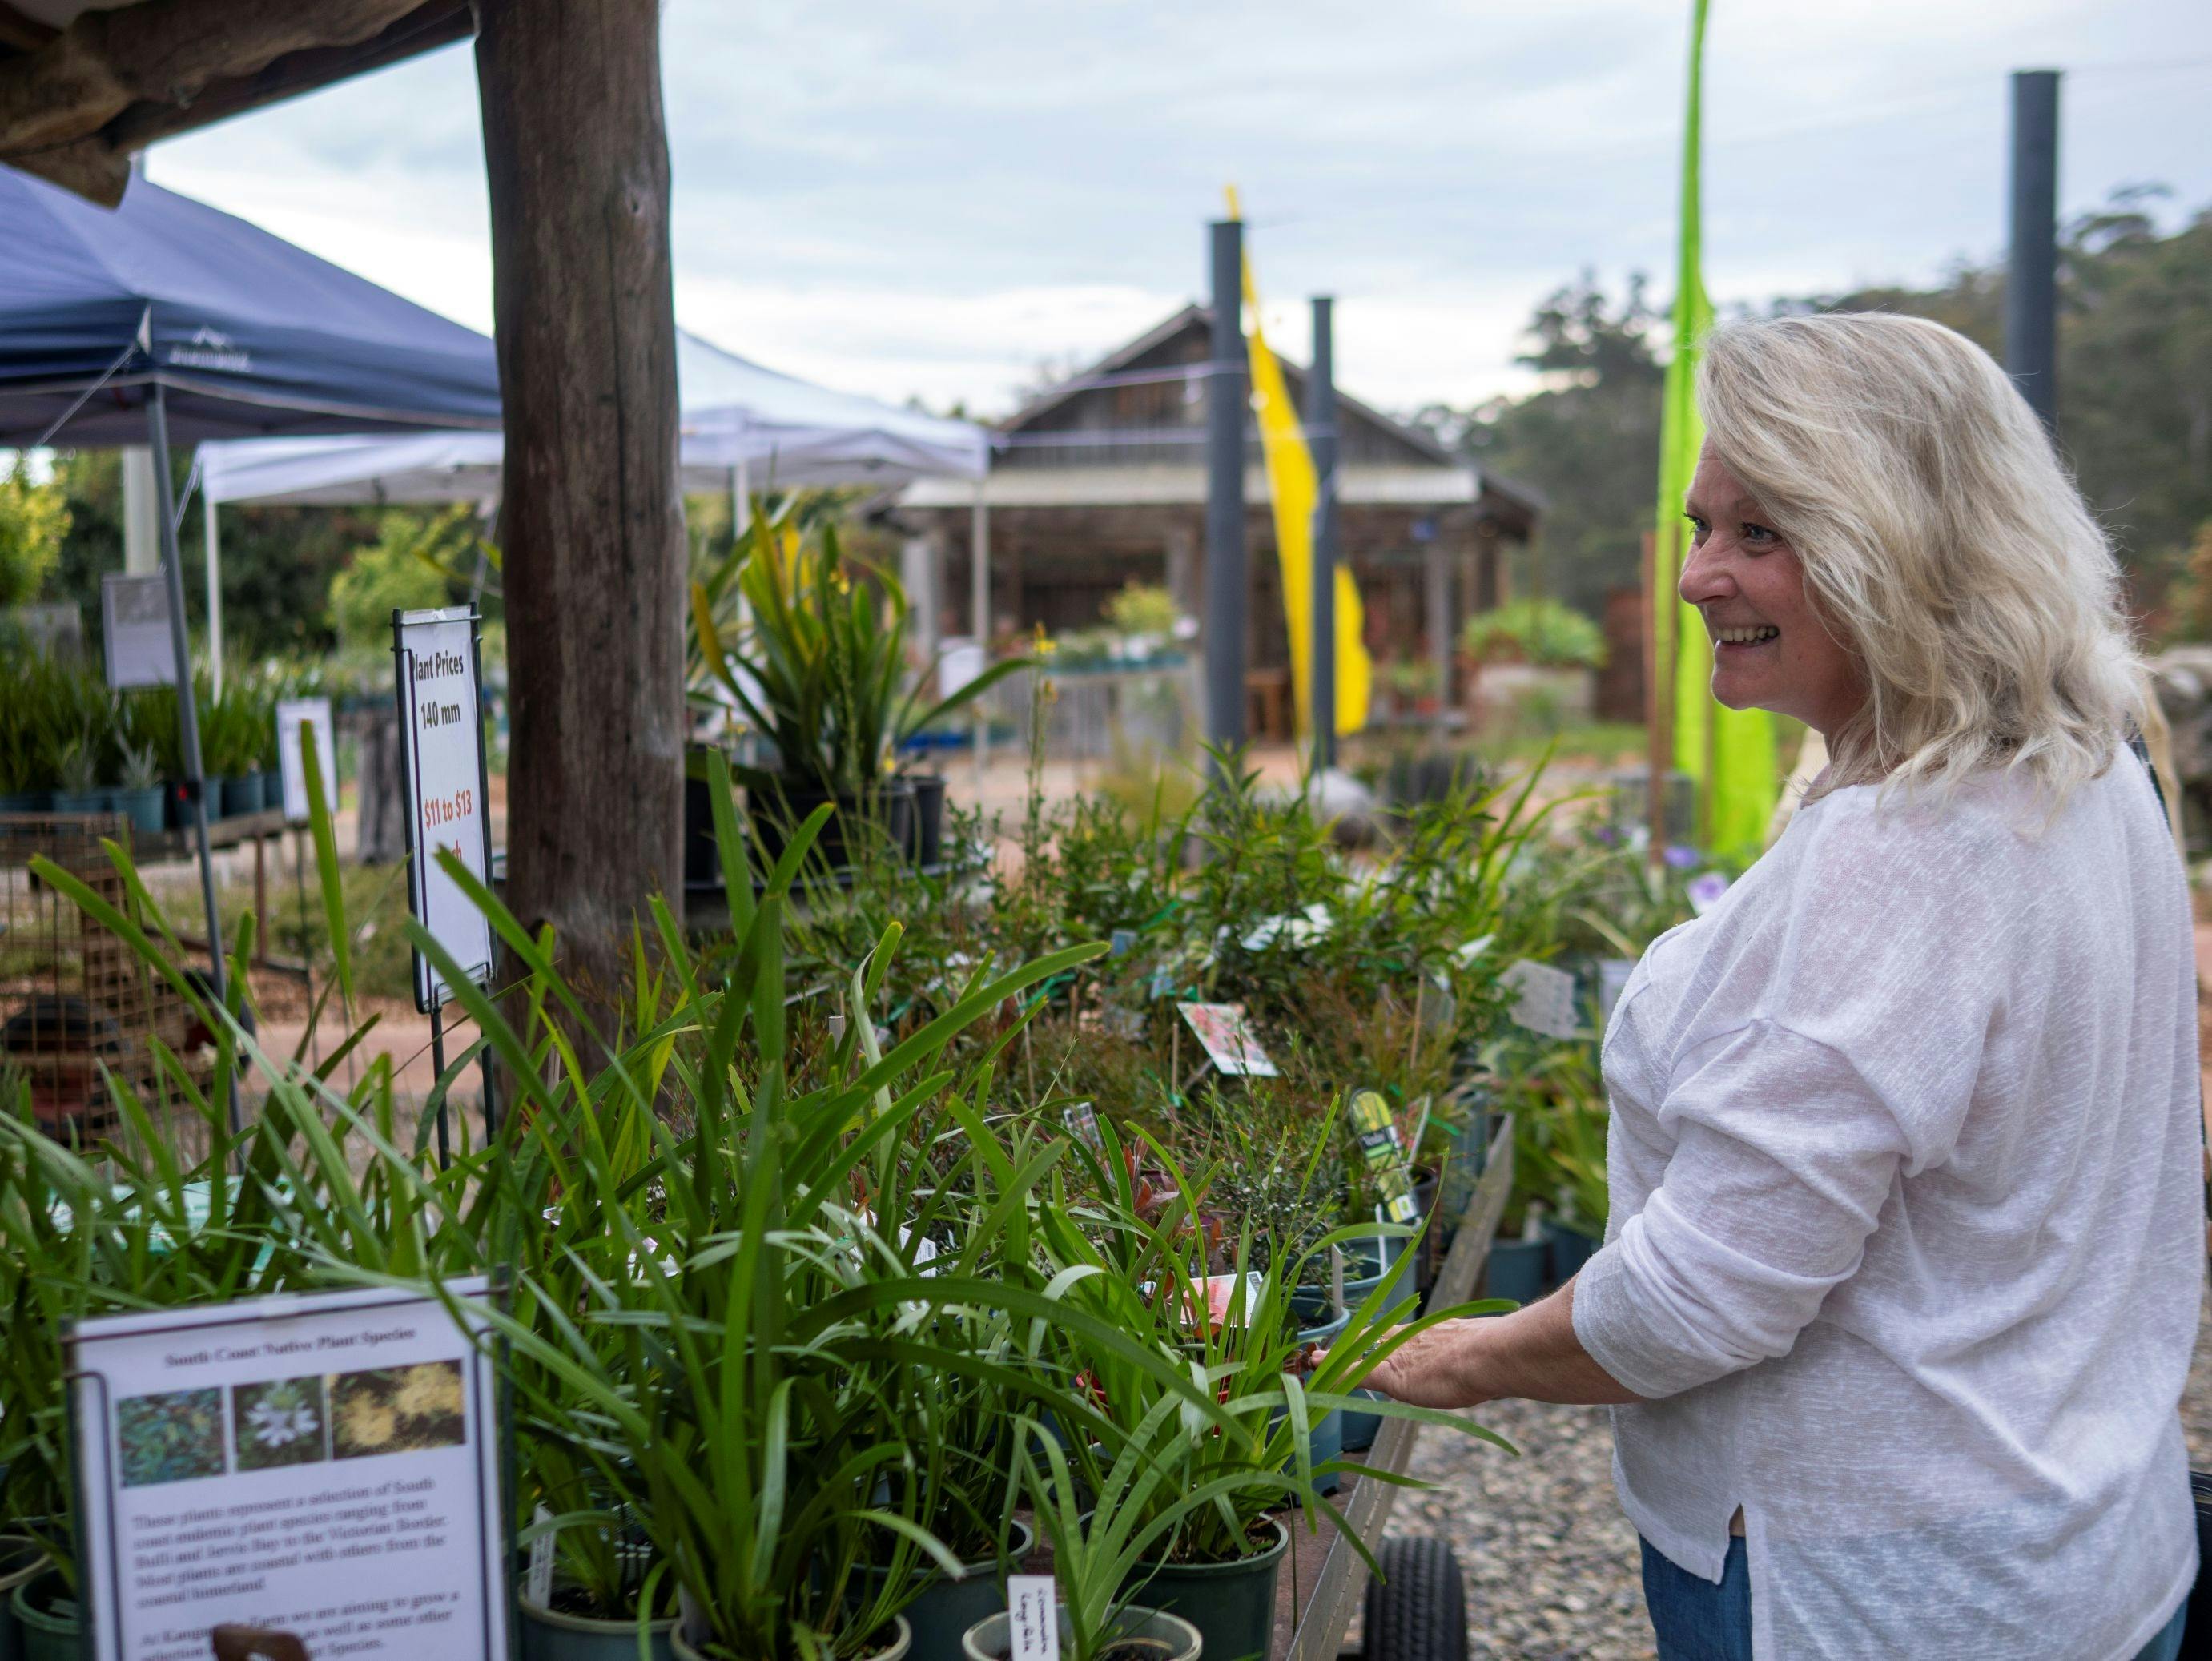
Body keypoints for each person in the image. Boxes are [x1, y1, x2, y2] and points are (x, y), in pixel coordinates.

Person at [1347, 312, 2203, 1660]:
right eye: (1701, 526)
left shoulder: (1903, 851)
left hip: (1873, 1590)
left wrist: (1435, 1355)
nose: (1697, 577)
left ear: (1909, 544)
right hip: (2086, 1542)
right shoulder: (2084, 765)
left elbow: (1704, 1297)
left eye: (1762, 534)